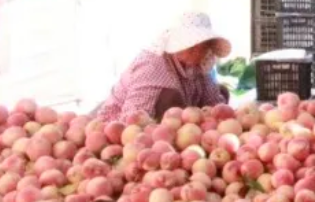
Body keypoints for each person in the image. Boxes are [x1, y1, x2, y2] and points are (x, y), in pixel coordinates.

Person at [96, 12, 230, 121]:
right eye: (193, 45)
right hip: (121, 124)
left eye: (204, 46)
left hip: (182, 129)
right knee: (170, 97)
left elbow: (213, 100)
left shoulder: (200, 65)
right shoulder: (152, 65)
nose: (199, 51)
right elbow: (133, 118)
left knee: (221, 92)